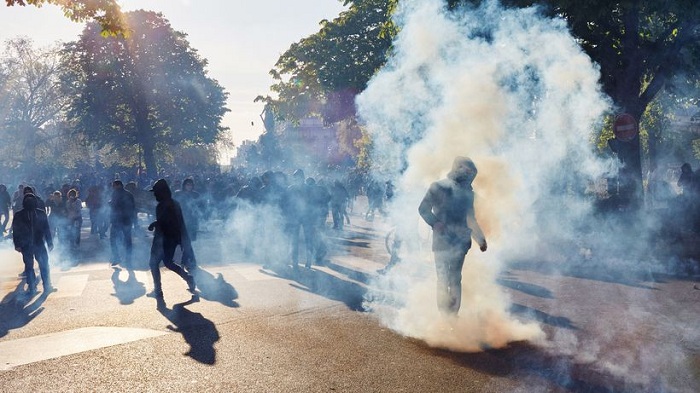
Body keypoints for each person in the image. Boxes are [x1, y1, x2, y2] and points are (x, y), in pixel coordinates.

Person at [419, 156, 487, 316]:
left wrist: (480, 239)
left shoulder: (468, 194)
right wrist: (435, 223)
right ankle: (444, 315)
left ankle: (453, 315)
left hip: (461, 242)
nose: (469, 176)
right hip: (442, 240)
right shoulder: (438, 187)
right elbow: (423, 209)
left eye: (472, 173)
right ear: (457, 168)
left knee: (455, 278)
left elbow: (471, 219)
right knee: (443, 278)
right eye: (467, 171)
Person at [146, 179, 196, 299]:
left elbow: (166, 223)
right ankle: (188, 278)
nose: (154, 194)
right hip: (172, 239)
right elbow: (178, 223)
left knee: (153, 263)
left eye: (156, 192)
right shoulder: (174, 203)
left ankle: (158, 290)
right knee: (168, 262)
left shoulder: (162, 205)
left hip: (162, 240)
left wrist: (155, 224)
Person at [12, 193, 55, 295]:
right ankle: (32, 287)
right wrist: (17, 244)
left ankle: (47, 285)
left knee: (44, 264)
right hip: (25, 244)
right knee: (29, 266)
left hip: (38, 243)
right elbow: (16, 231)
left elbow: (46, 229)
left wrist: (49, 243)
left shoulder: (40, 213)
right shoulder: (19, 215)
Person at [109, 180, 136, 269]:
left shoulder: (116, 194)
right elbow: (133, 207)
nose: (113, 187)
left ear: (118, 185)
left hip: (119, 220)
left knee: (113, 240)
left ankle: (117, 257)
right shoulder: (129, 194)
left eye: (114, 185)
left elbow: (115, 205)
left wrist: (111, 204)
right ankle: (128, 259)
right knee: (127, 240)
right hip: (126, 220)